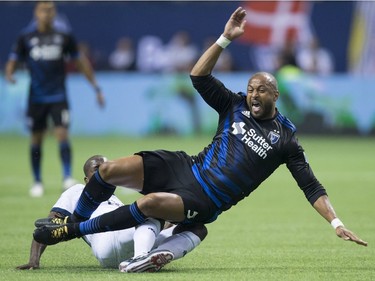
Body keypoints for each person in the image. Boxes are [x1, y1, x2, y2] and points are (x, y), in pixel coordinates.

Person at [33, 6, 367, 260]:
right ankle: (68, 227)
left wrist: (336, 223)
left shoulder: (286, 140)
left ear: (275, 96)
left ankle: (78, 231)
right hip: (185, 166)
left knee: (150, 205)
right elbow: (198, 77)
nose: (253, 94)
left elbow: (311, 185)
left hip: (206, 197)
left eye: (262, 90)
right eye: (251, 88)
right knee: (107, 171)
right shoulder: (233, 104)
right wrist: (225, 40)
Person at [19, 155, 206, 272]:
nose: (104, 172)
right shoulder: (76, 191)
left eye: (106, 167)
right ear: (86, 179)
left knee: (198, 229)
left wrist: (171, 223)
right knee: (151, 208)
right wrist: (34, 260)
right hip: (105, 242)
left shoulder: (116, 199)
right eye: (97, 169)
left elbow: (144, 228)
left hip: (128, 243)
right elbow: (49, 226)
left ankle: (150, 258)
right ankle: (142, 256)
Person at [5, 1, 105, 197]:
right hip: (36, 97)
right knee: (36, 138)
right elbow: (13, 59)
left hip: (58, 96)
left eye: (51, 10)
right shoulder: (26, 37)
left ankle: (67, 177)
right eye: (44, 10)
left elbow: (81, 62)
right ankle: (37, 181)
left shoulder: (64, 36)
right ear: (36, 12)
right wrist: (9, 73)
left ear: (55, 13)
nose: (47, 14)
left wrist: (96, 88)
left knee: (62, 134)